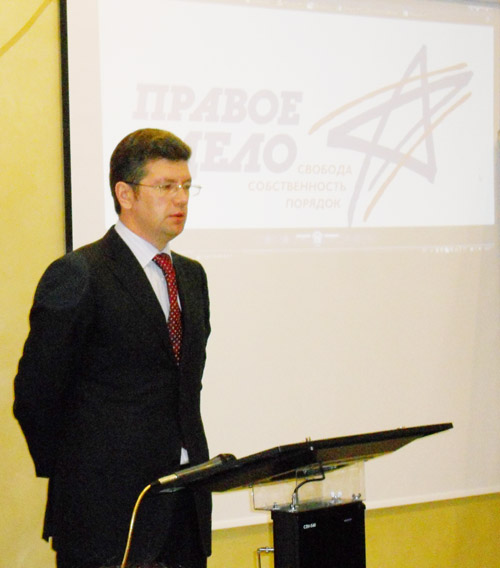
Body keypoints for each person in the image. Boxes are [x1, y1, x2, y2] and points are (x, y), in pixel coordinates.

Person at [13, 129, 212, 568]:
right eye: (166, 186)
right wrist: (80, 473)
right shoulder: (80, 273)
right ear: (125, 194)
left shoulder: (192, 277)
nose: (180, 198)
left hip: (185, 505)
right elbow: (35, 394)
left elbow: (184, 386)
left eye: (186, 186)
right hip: (103, 514)